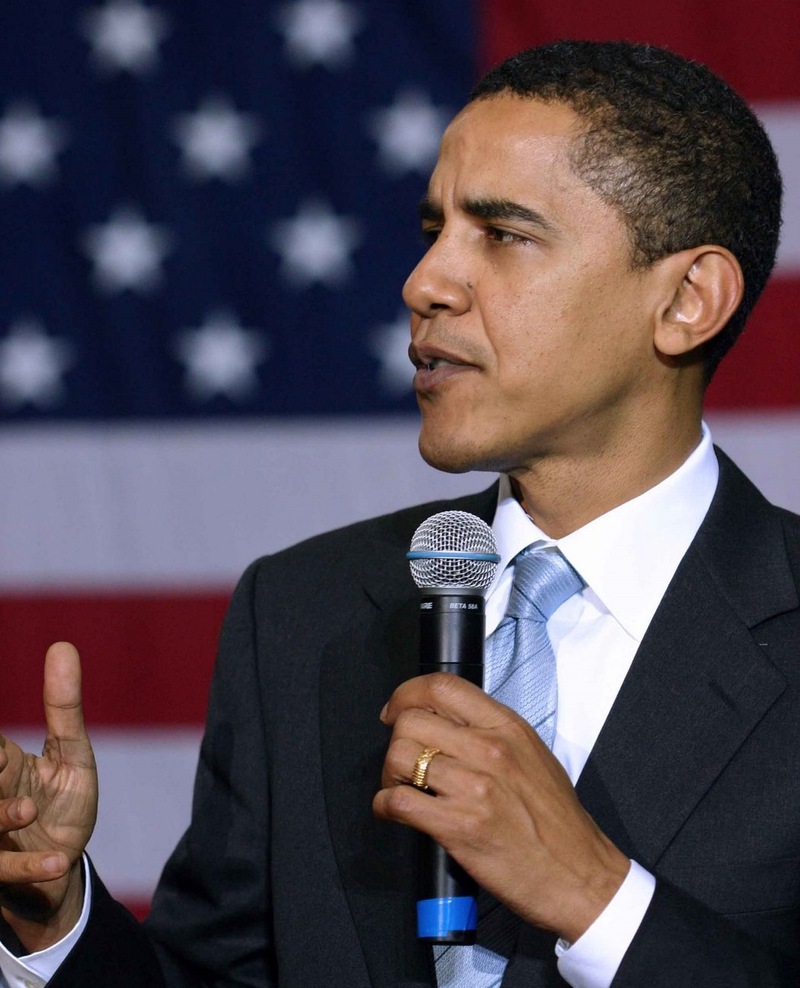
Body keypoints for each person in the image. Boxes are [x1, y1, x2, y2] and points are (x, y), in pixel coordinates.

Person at [0, 38, 796, 987]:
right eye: (433, 230)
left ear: (687, 300)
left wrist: (596, 898)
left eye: (502, 234)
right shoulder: (302, 611)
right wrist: (57, 920)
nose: (425, 283)